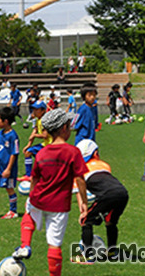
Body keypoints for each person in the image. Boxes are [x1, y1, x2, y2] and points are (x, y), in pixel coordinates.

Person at [11, 109, 89, 276]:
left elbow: (34, 178)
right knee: (54, 245)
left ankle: (25, 245)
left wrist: (32, 195)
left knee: (29, 215)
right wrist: (84, 203)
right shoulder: (73, 152)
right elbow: (80, 179)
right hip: (60, 205)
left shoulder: (42, 153)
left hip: (39, 199)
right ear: (64, 129)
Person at [72, 139, 129, 264]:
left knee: (86, 221)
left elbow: (79, 192)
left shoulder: (79, 170)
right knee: (110, 222)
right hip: (123, 193)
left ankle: (87, 256)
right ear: (96, 153)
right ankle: (112, 253)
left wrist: (84, 210)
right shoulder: (104, 165)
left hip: (108, 195)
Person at [18, 100, 50, 182]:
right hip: (45, 144)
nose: (34, 111)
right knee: (28, 152)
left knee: (44, 163)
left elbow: (45, 135)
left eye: (37, 109)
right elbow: (34, 132)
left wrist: (34, 135)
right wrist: (28, 145)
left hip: (50, 146)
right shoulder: (38, 120)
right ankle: (28, 175)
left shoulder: (44, 121)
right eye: (33, 109)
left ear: (43, 111)